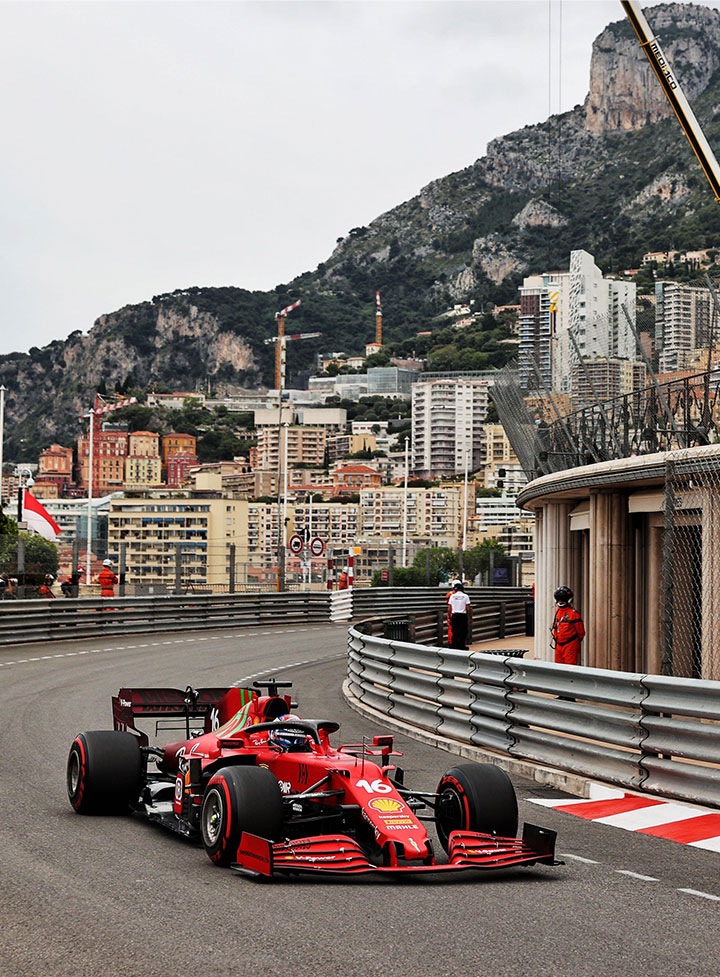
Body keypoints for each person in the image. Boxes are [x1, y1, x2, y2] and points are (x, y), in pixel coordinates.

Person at [551, 586, 585, 665]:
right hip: (559, 645)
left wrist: (573, 643)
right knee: (559, 669)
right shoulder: (558, 612)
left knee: (570, 669)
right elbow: (555, 627)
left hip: (570, 645)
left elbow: (581, 633)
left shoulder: (573, 614)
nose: (560, 602)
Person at [447, 580, 472, 650]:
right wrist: (470, 617)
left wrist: (449, 616)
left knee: (454, 631)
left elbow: (449, 608)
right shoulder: (465, 596)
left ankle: (454, 645)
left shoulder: (452, 596)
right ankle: (461, 646)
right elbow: (468, 608)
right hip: (462, 616)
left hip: (454, 615)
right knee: (463, 631)